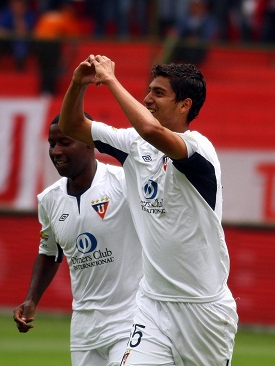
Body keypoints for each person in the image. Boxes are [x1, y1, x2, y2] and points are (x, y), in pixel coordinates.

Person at [58, 55, 238, 365]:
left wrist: (112, 80)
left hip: (203, 309)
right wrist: (77, 84)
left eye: (158, 93)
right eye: (149, 90)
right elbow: (72, 125)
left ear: (184, 105)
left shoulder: (198, 148)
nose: (147, 98)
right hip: (152, 305)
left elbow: (152, 131)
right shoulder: (133, 145)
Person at [13, 114, 143, 366]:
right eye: (52, 144)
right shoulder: (49, 199)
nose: (56, 151)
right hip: (85, 329)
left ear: (88, 142)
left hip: (131, 319)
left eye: (64, 142)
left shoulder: (124, 183)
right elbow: (50, 252)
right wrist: (32, 299)